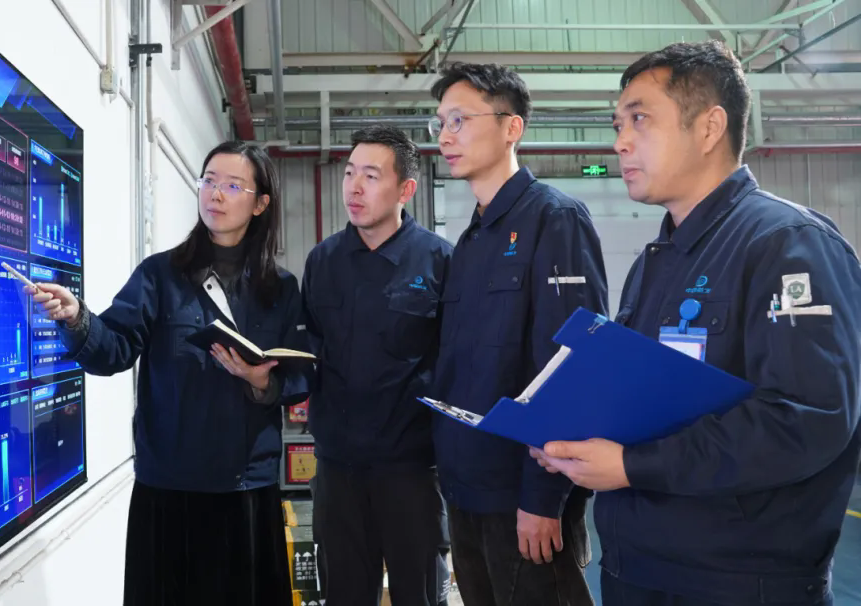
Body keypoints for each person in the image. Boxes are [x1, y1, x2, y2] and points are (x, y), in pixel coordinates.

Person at [531, 41, 861, 606]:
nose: (620, 142)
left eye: (640, 119)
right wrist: (579, 440)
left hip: (737, 582)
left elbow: (803, 421)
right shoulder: (657, 260)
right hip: (639, 569)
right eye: (618, 124)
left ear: (709, 127)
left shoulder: (788, 245)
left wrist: (631, 465)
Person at [28, 141, 311, 606]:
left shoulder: (279, 288)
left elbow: (298, 373)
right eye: (209, 181)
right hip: (168, 491)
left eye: (232, 186)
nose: (215, 194)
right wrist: (77, 318)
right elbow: (114, 349)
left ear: (260, 204)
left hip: (245, 490)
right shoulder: (160, 275)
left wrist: (264, 382)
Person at [428, 62, 608, 606]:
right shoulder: (470, 240)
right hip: (465, 493)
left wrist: (543, 498)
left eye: (460, 120)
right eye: (440, 122)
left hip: (522, 500)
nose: (445, 136)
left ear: (512, 127)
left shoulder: (555, 219)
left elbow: (571, 367)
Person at [301, 125, 453, 605]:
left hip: (412, 471)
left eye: (371, 176)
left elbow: (456, 362)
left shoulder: (439, 260)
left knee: (419, 596)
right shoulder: (323, 261)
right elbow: (309, 352)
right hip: (337, 470)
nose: (354, 187)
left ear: (406, 189)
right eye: (349, 173)